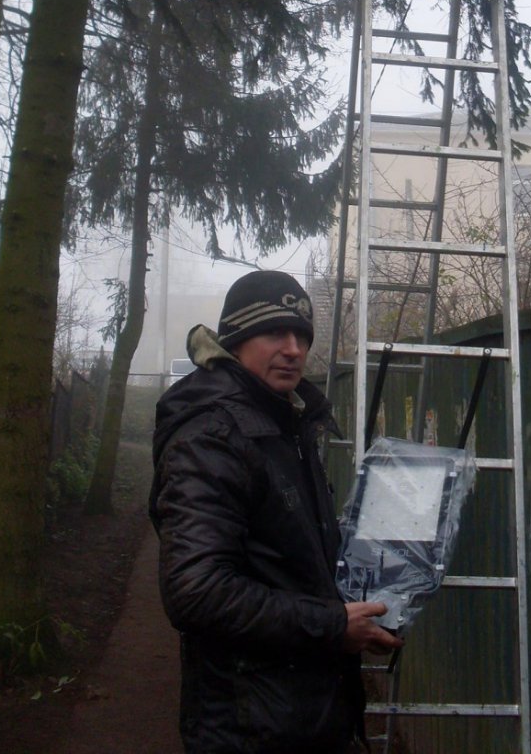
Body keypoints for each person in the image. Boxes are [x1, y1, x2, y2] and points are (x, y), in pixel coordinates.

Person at [150, 269, 402, 754]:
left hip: (304, 712)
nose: (293, 349)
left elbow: (287, 558)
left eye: (302, 337)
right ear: (235, 341)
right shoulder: (212, 438)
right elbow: (195, 591)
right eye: (274, 333)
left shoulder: (286, 423)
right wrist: (332, 625)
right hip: (250, 725)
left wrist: (362, 606)